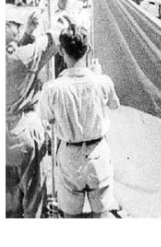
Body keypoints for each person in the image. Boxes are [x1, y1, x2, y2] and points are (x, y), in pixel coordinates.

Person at [39, 24, 120, 218]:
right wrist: (97, 74)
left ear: (61, 51)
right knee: (101, 214)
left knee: (71, 216)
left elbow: (48, 119)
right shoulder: (102, 81)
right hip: (97, 153)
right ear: (88, 49)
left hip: (69, 154)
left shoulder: (52, 88)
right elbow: (115, 105)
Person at [6, 11, 66, 218]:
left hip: (6, 131)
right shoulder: (18, 57)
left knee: (10, 201)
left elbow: (18, 50)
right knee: (35, 199)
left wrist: (29, 32)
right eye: (14, 25)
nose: (18, 28)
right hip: (23, 129)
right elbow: (49, 41)